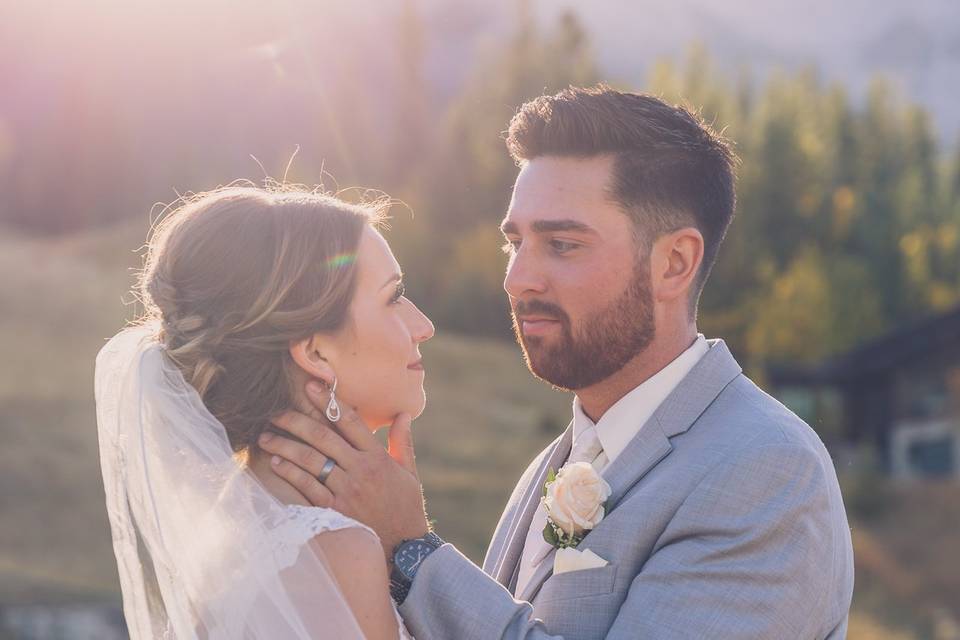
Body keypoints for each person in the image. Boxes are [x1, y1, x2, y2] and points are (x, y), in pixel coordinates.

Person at [261, 86, 856, 639]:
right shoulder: (559, 460)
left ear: (673, 264)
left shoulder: (767, 471)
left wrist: (411, 550)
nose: (518, 279)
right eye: (514, 242)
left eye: (563, 245)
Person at [94, 186, 434, 638]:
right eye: (393, 297)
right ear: (316, 353)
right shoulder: (336, 552)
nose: (423, 327)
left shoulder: (229, 541)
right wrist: (413, 545)